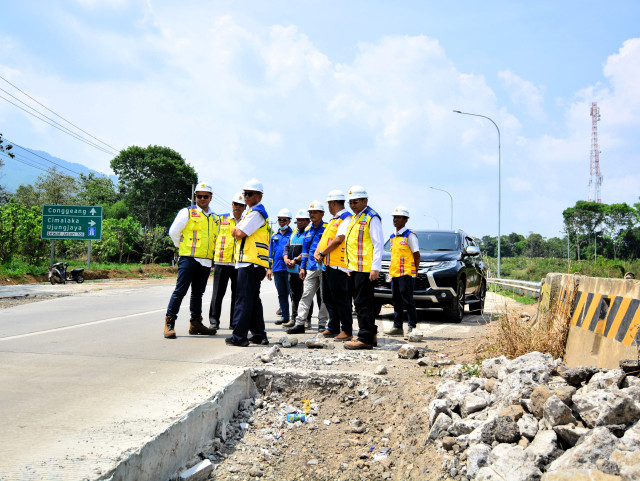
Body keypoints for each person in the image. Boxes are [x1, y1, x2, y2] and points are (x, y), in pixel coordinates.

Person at [164, 182, 219, 339]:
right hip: (189, 258)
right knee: (180, 291)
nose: (202, 199)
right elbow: (174, 231)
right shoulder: (187, 212)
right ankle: (169, 323)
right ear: (195, 197)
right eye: (199, 196)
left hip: (206, 260)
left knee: (198, 294)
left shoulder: (214, 217)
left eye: (205, 196)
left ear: (210, 198)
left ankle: (195, 323)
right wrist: (181, 247)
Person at [225, 179, 271, 347]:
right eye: (245, 193)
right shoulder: (251, 212)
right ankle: (259, 335)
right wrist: (236, 230)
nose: (246, 196)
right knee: (252, 300)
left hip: (250, 262)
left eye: (250, 194)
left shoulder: (256, 213)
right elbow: (236, 231)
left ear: (259, 196)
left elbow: (239, 233)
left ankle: (240, 337)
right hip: (251, 262)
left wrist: (237, 230)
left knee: (243, 300)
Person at [343, 185, 383, 350]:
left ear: (365, 200)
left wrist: (375, 267)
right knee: (363, 303)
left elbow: (378, 243)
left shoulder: (371, 217)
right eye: (350, 202)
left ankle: (364, 338)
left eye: (356, 201)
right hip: (355, 268)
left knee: (362, 304)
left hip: (366, 269)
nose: (352, 205)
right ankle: (370, 334)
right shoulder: (356, 217)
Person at [314, 189, 353, 341]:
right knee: (329, 298)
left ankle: (347, 330)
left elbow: (339, 239)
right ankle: (333, 327)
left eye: (329, 204)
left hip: (339, 266)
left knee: (341, 299)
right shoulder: (333, 220)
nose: (329, 207)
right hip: (329, 265)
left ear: (333, 203)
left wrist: (322, 253)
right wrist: (318, 253)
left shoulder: (345, 218)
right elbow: (326, 239)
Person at [286, 200, 329, 334]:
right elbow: (305, 251)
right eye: (310, 212)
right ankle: (300, 323)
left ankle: (322, 324)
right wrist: (303, 267)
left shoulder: (327, 228)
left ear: (322, 213)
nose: (312, 215)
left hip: (324, 267)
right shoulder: (308, 231)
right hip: (310, 267)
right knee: (305, 295)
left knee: (323, 297)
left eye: (315, 212)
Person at [208, 192, 246, 330]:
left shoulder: (247, 220)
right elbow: (213, 236)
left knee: (237, 295)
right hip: (221, 261)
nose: (237, 207)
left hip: (238, 263)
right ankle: (214, 321)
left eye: (241, 205)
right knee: (217, 294)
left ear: (245, 207)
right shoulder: (221, 218)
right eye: (235, 204)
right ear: (232, 205)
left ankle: (234, 322)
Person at [383, 206, 420, 339]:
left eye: (398, 217)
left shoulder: (410, 236)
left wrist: (414, 271)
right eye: (394, 217)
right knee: (396, 300)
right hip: (395, 273)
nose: (395, 220)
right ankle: (397, 326)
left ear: (406, 220)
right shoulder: (393, 236)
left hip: (407, 274)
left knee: (407, 300)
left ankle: (412, 327)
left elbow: (416, 254)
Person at [283, 209, 316, 327]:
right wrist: (286, 259)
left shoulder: (309, 233)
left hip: (304, 269)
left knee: (305, 295)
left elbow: (307, 251)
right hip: (292, 270)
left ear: (308, 221)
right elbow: (286, 248)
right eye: (298, 220)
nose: (300, 222)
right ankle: (294, 318)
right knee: (294, 295)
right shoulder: (293, 234)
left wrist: (295, 260)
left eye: (303, 220)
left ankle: (307, 320)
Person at [267, 208, 293, 325]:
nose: (281, 222)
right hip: (277, 269)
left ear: (289, 221)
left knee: (292, 294)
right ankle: (285, 316)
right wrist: (269, 268)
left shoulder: (293, 235)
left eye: (284, 220)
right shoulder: (274, 236)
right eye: (279, 220)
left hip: (290, 269)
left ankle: (295, 317)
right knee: (281, 294)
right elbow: (270, 253)